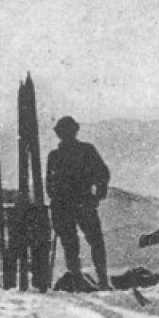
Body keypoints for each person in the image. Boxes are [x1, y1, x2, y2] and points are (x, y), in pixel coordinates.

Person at [46, 116, 111, 287]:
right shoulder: (57, 155)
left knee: (87, 242)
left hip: (78, 204)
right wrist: (98, 195)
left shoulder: (83, 151)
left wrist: (98, 195)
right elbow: (49, 186)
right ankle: (85, 280)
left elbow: (102, 174)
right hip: (71, 205)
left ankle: (98, 279)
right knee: (78, 244)